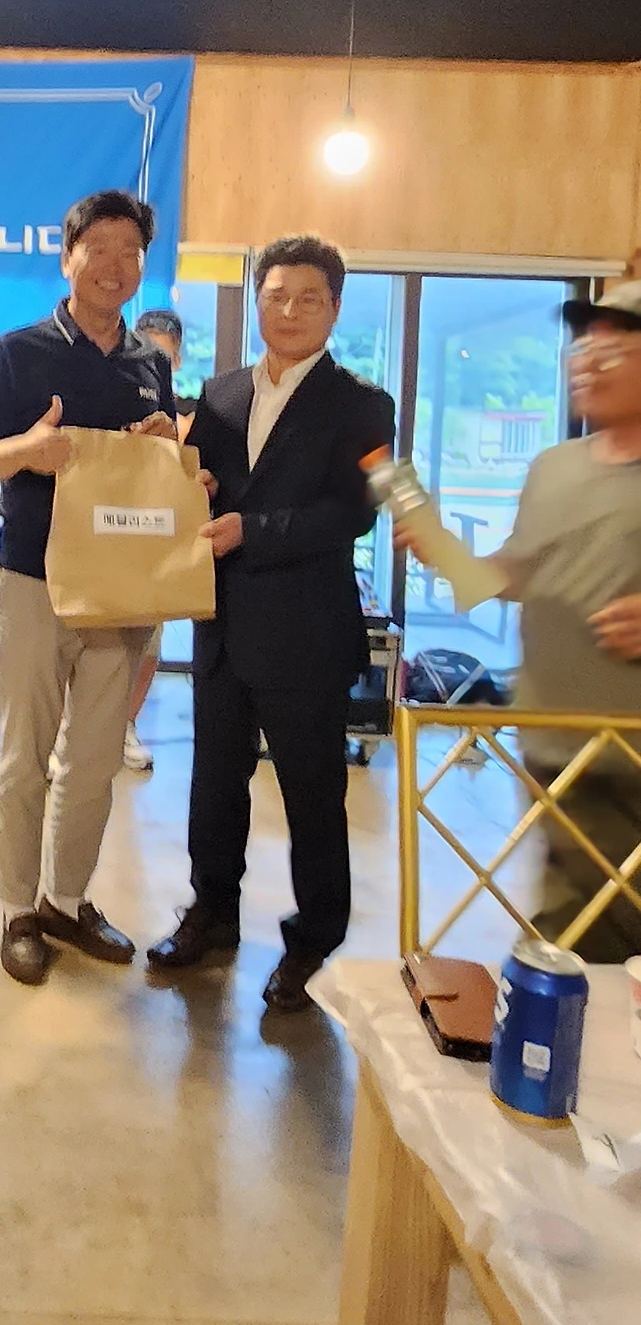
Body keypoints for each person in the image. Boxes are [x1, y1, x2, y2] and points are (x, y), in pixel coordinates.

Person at [148, 236, 395, 1013]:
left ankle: (313, 941)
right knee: (214, 785)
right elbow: (203, 488)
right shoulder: (219, 393)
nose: (290, 310)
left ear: (335, 309)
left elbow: (353, 512)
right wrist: (181, 474)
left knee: (313, 797)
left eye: (308, 298)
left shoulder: (363, 404)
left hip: (307, 632)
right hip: (222, 624)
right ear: (257, 301)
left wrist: (251, 530)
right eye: (276, 295)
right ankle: (212, 912)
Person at [0, 189, 176, 987]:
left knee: (94, 760)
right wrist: (27, 448)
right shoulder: (18, 351)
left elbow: (161, 470)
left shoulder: (151, 363)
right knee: (26, 758)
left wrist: (163, 442)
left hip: (121, 585)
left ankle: (66, 898)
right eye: (100, 248)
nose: (115, 265)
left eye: (131, 252)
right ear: (68, 257)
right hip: (34, 576)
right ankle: (17, 909)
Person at [401, 281, 641, 958]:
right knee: (575, 924)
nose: (586, 361)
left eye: (613, 347)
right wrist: (447, 554)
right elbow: (515, 573)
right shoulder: (554, 467)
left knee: (597, 937)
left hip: (628, 751)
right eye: (583, 345)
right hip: (549, 742)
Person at [120, 306, 189, 774]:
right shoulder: (109, 398)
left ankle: (125, 726)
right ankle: (69, 733)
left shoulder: (191, 412)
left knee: (147, 644)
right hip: (104, 538)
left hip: (157, 544)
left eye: (163, 355)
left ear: (176, 360)